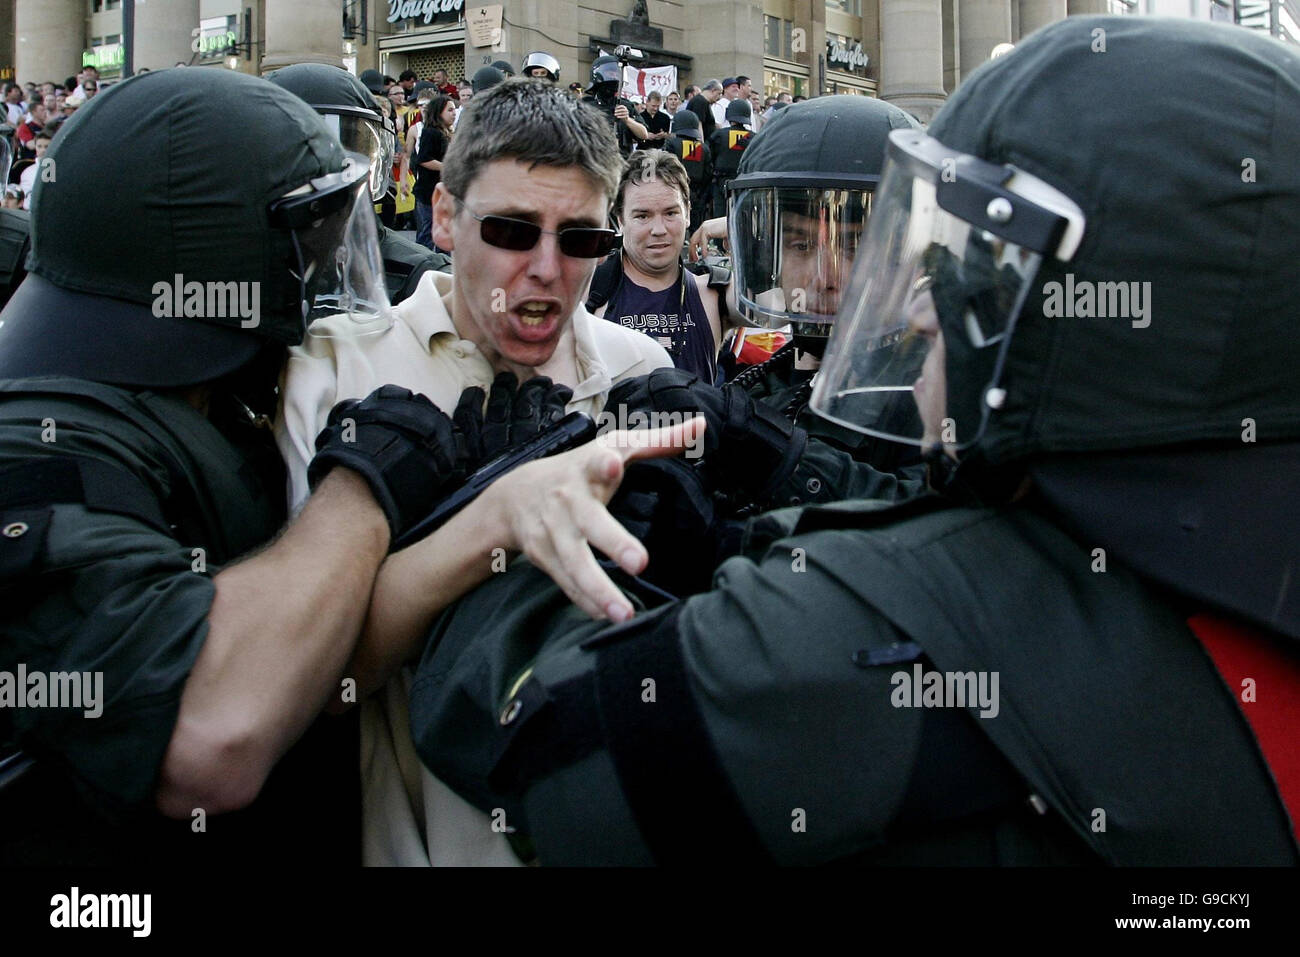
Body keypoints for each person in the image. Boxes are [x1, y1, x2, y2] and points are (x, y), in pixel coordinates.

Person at [404, 15, 1300, 866]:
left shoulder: (899, 639)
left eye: (967, 273)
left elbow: (547, 751)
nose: (913, 302)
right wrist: (768, 503)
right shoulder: (1217, 536)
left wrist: (510, 499)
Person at [0, 66, 404, 865]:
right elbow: (210, 726)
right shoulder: (36, 451)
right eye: (308, 247)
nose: (322, 276)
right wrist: (364, 485)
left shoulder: (202, 392)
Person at [275, 76, 673, 866]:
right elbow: (313, 673)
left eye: (584, 239)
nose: (548, 269)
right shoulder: (334, 373)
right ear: (447, 218)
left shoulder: (640, 369)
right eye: (513, 230)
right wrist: (488, 522)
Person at [695, 95, 928, 506]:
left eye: (855, 247)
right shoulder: (781, 373)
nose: (824, 278)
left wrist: (787, 462)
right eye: (800, 245)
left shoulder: (941, 393)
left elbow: (934, 521)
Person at [265, 64, 449, 305]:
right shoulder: (235, 261)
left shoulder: (424, 278)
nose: (323, 174)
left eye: (344, 154)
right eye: (300, 155)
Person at [587, 150, 731, 382]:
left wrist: (741, 226)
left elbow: (785, 306)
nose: (659, 229)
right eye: (643, 216)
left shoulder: (714, 292)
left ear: (688, 214)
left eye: (670, 213)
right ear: (621, 221)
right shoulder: (588, 292)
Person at [412, 93, 457, 253]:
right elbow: (423, 159)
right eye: (450, 110)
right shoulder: (431, 132)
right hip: (428, 192)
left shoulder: (445, 133)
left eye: (454, 109)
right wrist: (447, 167)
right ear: (439, 112)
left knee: (442, 231)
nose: (454, 113)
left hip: (441, 191)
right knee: (428, 232)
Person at [583, 55, 648, 157]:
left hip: (622, 163)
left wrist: (627, 120)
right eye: (610, 72)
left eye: (616, 72)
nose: (614, 75)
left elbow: (644, 134)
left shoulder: (626, 105)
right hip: (594, 162)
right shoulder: (585, 106)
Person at [663, 108, 712, 232]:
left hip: (676, 188)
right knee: (696, 226)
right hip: (697, 192)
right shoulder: (704, 148)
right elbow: (708, 173)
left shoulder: (672, 144)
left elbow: (666, 168)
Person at [707, 96, 752, 219]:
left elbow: (708, 157)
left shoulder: (719, 135)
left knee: (720, 218)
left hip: (722, 182)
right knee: (743, 218)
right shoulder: (754, 137)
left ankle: (718, 239)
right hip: (746, 184)